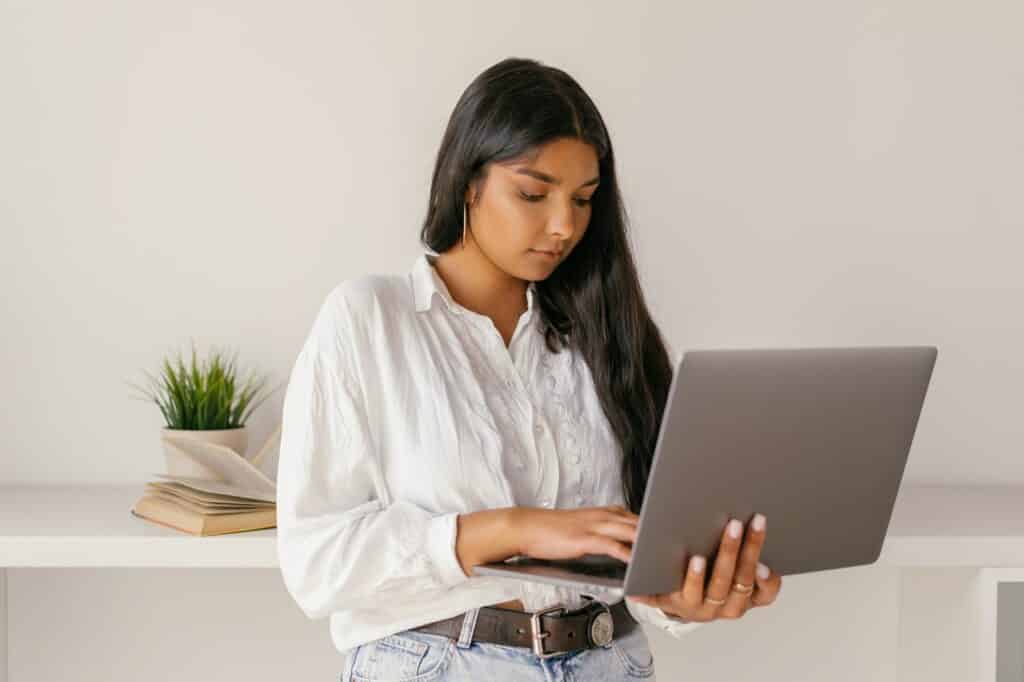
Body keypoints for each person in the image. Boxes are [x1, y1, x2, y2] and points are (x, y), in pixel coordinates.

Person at [276, 56, 783, 682]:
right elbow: (316, 563)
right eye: (533, 193)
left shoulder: (608, 336)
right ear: (468, 181)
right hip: (441, 664)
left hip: (611, 659)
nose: (564, 225)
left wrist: (685, 596)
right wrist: (517, 529)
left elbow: (640, 548)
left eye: (583, 199)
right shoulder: (371, 319)